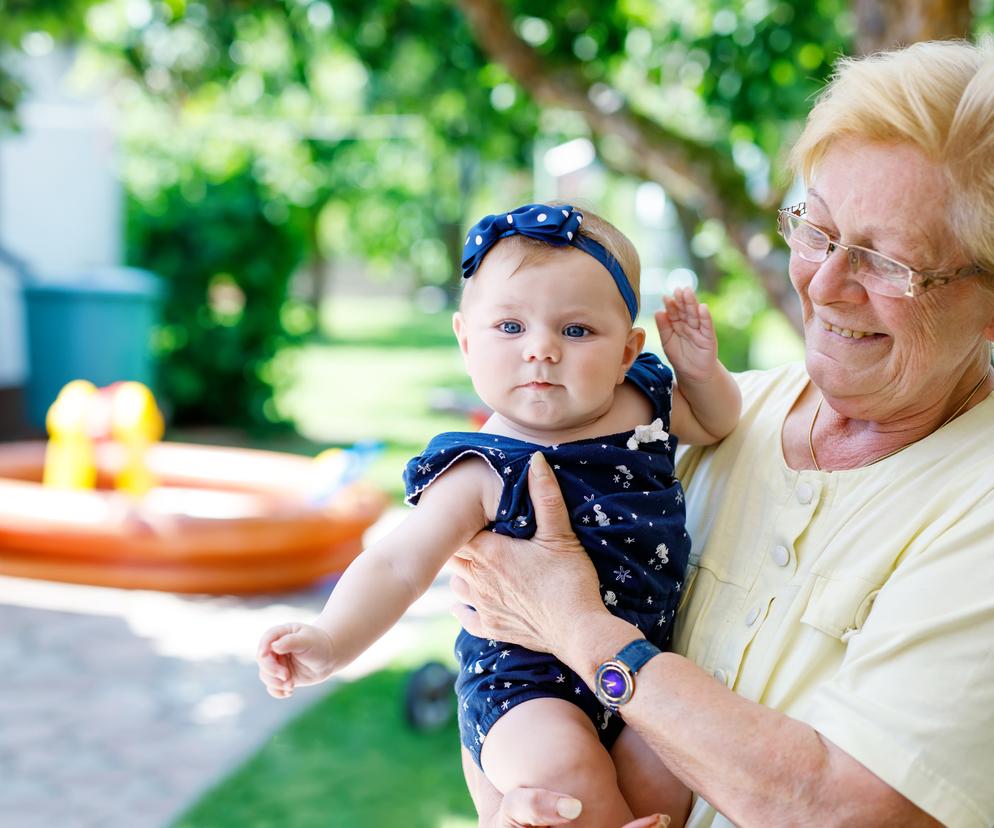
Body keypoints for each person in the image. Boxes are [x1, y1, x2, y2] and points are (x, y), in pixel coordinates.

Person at [449, 38, 994, 828]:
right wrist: (517, 803)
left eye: (885, 261)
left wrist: (581, 631)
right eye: (818, 230)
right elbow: (498, 649)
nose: (826, 283)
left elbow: (848, 812)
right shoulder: (704, 415)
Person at [256, 202, 741, 825]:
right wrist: (330, 640)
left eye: (575, 331)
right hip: (524, 689)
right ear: (465, 340)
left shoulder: (643, 397)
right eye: (510, 328)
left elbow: (718, 421)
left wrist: (700, 372)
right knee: (569, 782)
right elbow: (397, 565)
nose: (540, 350)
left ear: (627, 350)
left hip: (639, 665)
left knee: (674, 772)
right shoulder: (480, 468)